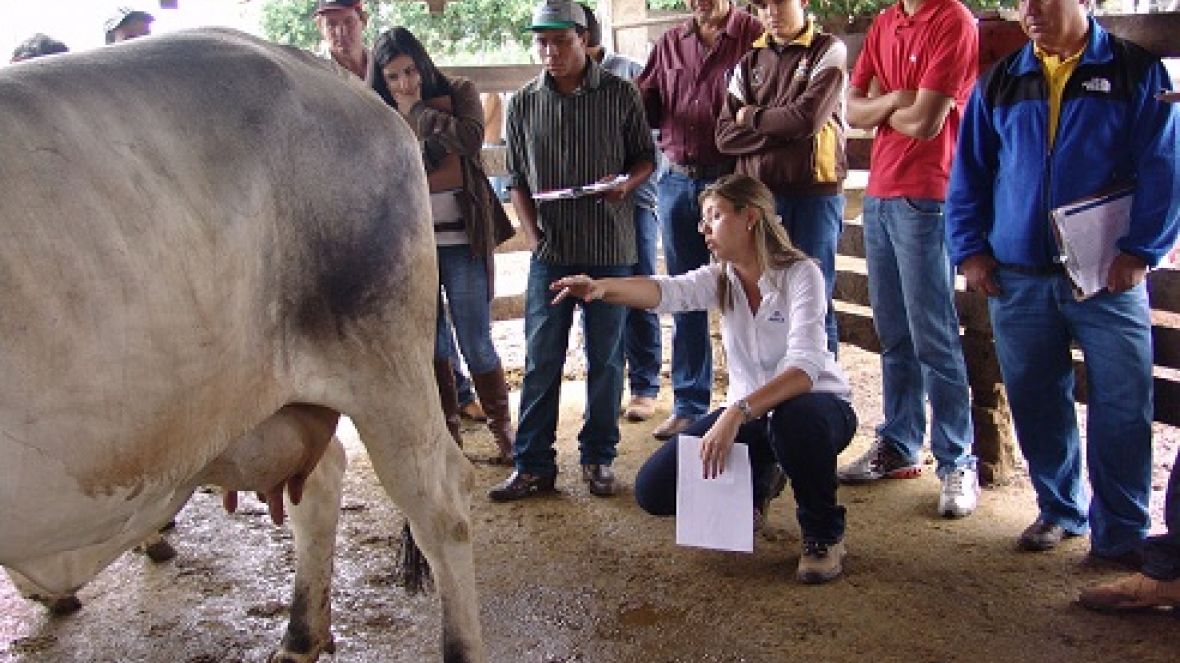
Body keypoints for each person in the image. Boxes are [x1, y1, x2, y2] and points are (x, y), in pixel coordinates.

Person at [946, 5, 1178, 560]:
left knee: (1123, 405)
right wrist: (971, 251)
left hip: (1108, 279)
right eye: (1024, 0)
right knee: (1035, 400)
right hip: (1019, 276)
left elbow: (1165, 168)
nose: (1032, 11)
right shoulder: (1001, 81)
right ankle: (1059, 510)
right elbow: (969, 173)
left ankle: (1121, 533)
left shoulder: (1134, 71)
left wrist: (1140, 251)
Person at [552, 174, 857, 583]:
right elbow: (666, 291)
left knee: (794, 421)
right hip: (753, 417)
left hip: (818, 409)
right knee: (654, 489)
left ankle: (823, 533)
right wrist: (600, 287)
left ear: (749, 217)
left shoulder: (801, 275)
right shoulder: (721, 277)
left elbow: (804, 372)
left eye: (714, 216)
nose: (703, 228)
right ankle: (763, 473)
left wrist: (735, 413)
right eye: (702, 220)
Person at [488, 0, 655, 502]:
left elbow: (645, 158)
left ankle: (599, 456)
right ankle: (534, 464)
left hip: (610, 245)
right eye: (541, 40)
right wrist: (535, 239)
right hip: (552, 251)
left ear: (584, 38)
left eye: (560, 40)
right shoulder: (522, 104)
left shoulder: (621, 94)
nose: (550, 50)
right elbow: (516, 179)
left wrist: (626, 186)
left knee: (606, 358)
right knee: (542, 358)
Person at [837, 0, 980, 519]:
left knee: (933, 334)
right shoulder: (886, 20)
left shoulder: (953, 20)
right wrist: (899, 97)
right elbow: (851, 110)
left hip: (929, 194)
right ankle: (899, 442)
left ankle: (956, 459)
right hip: (880, 193)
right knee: (894, 331)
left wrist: (886, 103)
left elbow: (925, 122)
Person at [369, 27, 518, 463]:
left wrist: (417, 113)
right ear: (381, 78)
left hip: (462, 237)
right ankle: (449, 438)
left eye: (410, 71)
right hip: (411, 246)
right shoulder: (375, 110)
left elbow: (471, 139)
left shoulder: (458, 91)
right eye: (393, 77)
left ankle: (503, 431)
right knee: (433, 345)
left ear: (423, 64)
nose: (404, 84)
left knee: (476, 339)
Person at [635, 0, 763, 441]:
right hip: (677, 180)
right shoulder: (671, 43)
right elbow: (644, 106)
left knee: (749, 292)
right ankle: (690, 404)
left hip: (732, 182)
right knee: (685, 291)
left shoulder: (754, 37)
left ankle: (755, 403)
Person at [715, 0, 847, 356]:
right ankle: (773, 399)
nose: (771, 12)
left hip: (813, 196)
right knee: (764, 301)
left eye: (779, 2)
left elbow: (806, 120)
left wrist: (751, 116)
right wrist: (780, 126)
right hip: (760, 199)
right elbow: (724, 135)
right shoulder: (750, 61)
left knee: (814, 302)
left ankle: (824, 401)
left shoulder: (828, 50)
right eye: (763, 6)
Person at [580, 4, 663, 423]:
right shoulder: (558, 82)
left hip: (634, 199)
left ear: (586, 39)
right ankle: (605, 384)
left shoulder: (629, 73)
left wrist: (631, 186)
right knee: (594, 290)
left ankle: (645, 384)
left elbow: (651, 143)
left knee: (640, 282)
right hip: (587, 205)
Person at [313, 0, 368, 79]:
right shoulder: (316, 71)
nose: (341, 32)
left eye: (349, 22)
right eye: (331, 24)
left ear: (363, 21)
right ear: (320, 27)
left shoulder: (382, 65)